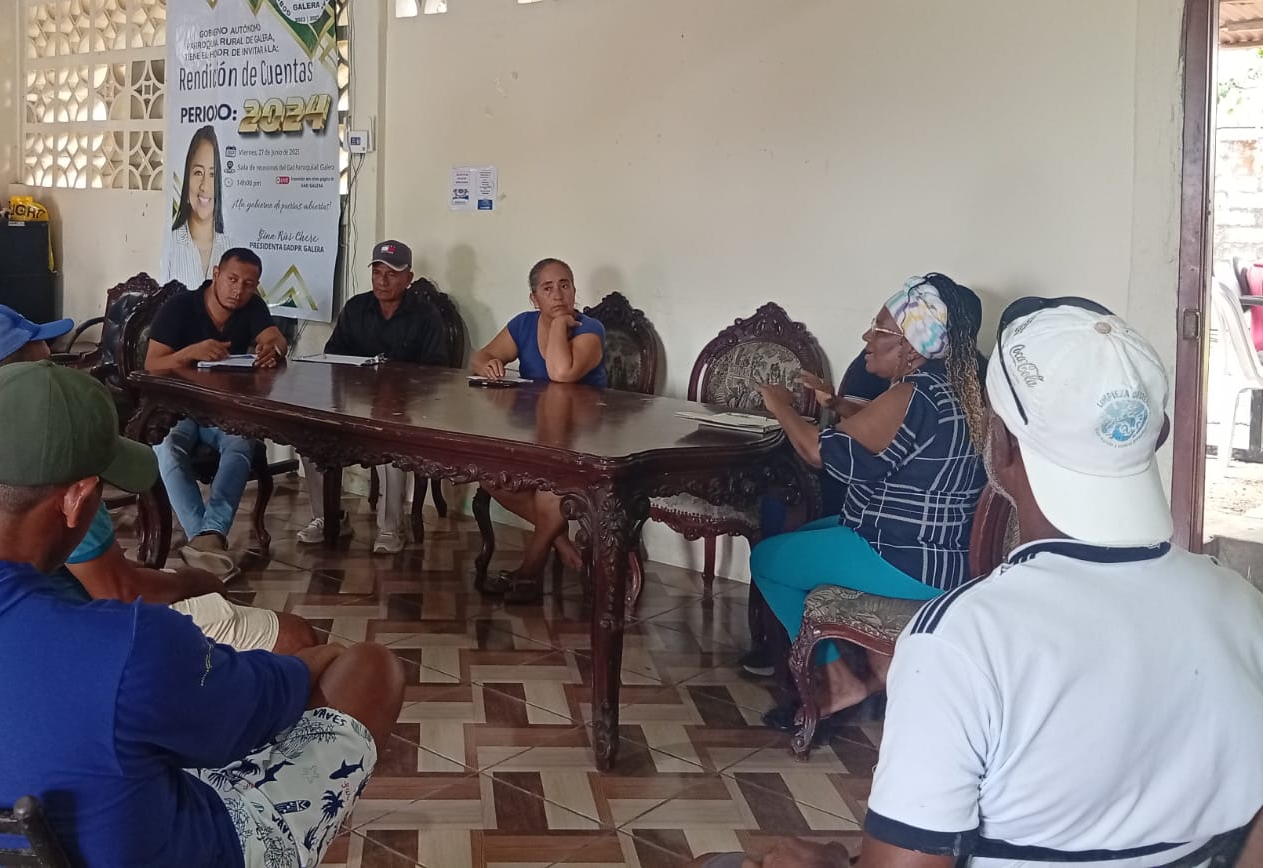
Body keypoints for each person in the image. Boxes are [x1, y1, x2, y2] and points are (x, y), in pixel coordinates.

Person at [702, 300, 1263, 868]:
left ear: (1002, 445)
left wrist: (829, 863)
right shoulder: (1243, 607)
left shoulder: (960, 640)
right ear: (1157, 434)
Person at [0, 361, 406, 868]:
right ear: (77, 500)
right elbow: (260, 713)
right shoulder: (130, 646)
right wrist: (324, 656)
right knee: (372, 669)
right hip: (195, 846)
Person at [0, 303, 314, 654]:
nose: (54, 357)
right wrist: (195, 582)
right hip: (92, 627)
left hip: (45, 612)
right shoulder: (61, 465)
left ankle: (207, 536)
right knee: (298, 636)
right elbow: (119, 592)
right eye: (43, 352)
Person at [752, 273, 987, 736]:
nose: (867, 336)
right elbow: (895, 431)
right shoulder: (958, 387)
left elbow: (818, 453)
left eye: (880, 329)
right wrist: (837, 404)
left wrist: (780, 406)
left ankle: (840, 681)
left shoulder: (912, 394)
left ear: (912, 345)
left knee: (767, 558)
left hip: (902, 558)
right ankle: (865, 664)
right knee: (804, 536)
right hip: (945, 553)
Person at [145, 247, 289, 579]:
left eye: (249, 284)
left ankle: (206, 540)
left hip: (223, 411)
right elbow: (152, 364)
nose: (239, 290)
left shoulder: (252, 307)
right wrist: (190, 353)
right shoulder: (180, 307)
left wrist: (274, 350)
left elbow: (275, 339)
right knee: (167, 447)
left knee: (241, 444)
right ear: (216, 274)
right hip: (178, 409)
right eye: (232, 279)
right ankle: (208, 539)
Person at [299, 240, 449, 554]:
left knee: (391, 439)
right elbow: (333, 355)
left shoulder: (426, 315)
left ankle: (391, 526)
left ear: (408, 278)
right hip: (356, 402)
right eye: (377, 272)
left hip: (404, 407)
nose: (382, 281)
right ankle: (328, 518)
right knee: (310, 437)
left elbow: (436, 372)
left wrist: (399, 390)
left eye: (392, 274)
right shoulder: (356, 308)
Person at [471, 258, 607, 602]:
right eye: (548, 288)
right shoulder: (523, 324)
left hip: (583, 437)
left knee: (550, 493)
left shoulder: (590, 329)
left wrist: (560, 325)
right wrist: (488, 363)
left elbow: (561, 372)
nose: (558, 294)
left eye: (565, 285)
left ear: (574, 291)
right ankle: (560, 542)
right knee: (490, 476)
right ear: (534, 298)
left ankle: (529, 573)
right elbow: (480, 355)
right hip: (536, 435)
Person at [161, 125, 230, 288]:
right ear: (187, 178)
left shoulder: (231, 248)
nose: (204, 186)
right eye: (198, 172)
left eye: (212, 174)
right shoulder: (168, 245)